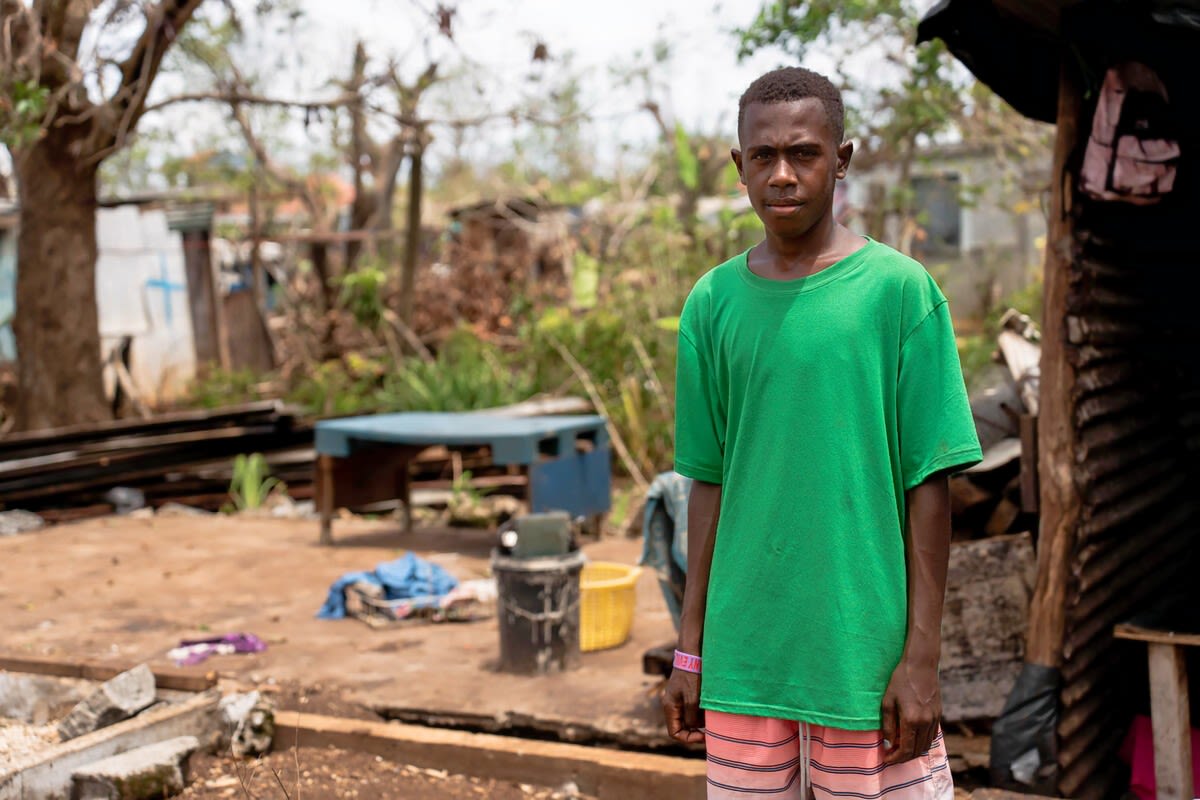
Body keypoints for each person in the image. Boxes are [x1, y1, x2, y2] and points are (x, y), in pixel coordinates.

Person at [662, 67, 982, 800]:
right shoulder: (711, 305)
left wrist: (920, 659)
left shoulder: (900, 294)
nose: (783, 174)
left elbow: (927, 485)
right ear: (738, 167)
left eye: (804, 153)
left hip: (863, 661)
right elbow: (706, 484)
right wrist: (690, 650)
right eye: (763, 156)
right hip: (747, 661)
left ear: (842, 159)